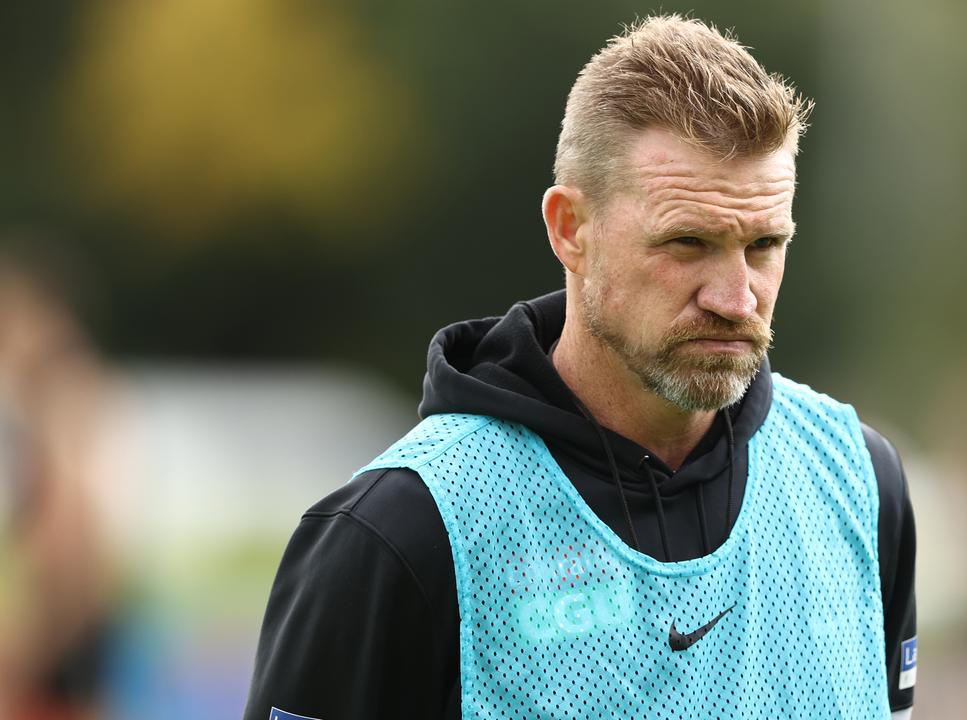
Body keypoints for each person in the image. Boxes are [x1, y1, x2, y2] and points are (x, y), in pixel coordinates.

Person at [244, 15, 916, 720]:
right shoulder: (400, 533)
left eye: (764, 244)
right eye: (688, 242)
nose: (736, 297)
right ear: (570, 230)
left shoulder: (862, 485)